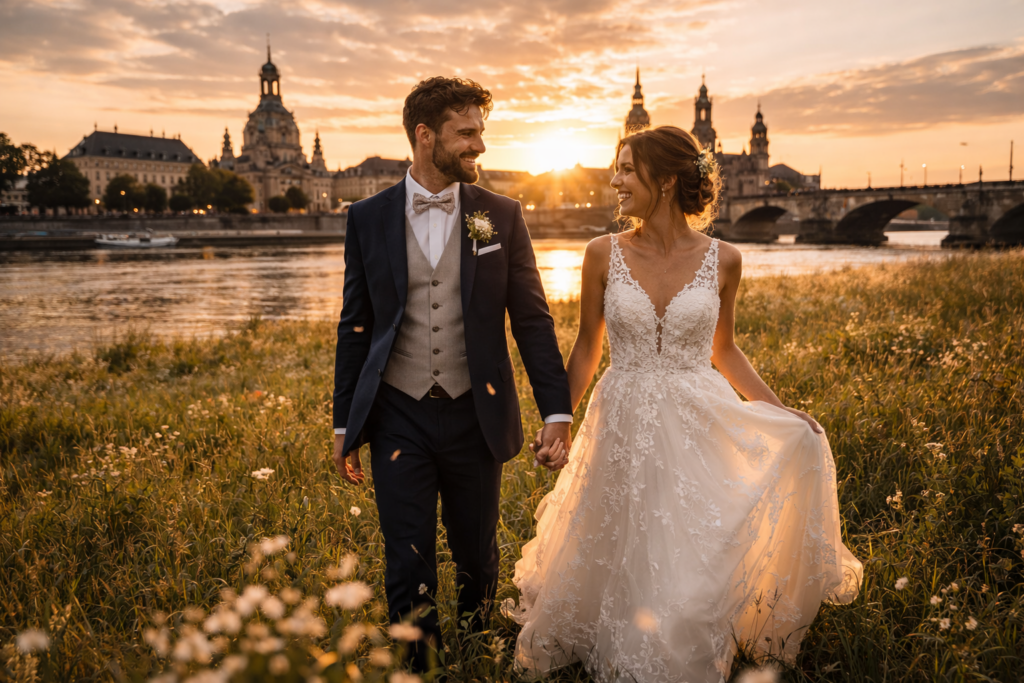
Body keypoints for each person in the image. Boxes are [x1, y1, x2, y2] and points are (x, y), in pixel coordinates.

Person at [507, 126, 862, 682]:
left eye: (626, 169)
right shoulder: (602, 253)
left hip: (700, 417)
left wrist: (779, 410)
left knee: (691, 546)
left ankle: (684, 639)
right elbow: (586, 348)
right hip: (621, 415)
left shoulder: (726, 259)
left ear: (666, 180)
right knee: (623, 540)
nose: (616, 180)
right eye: (616, 168)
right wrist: (560, 421)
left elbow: (724, 349)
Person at [331, 76, 573, 673]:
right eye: (466, 134)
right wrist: (344, 423)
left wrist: (557, 413)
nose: (479, 147)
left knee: (476, 554)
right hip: (397, 413)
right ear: (424, 135)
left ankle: (472, 652)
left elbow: (533, 321)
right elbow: (355, 326)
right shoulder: (366, 218)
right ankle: (419, 665)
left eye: (481, 134)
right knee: (406, 554)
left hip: (475, 411)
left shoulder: (503, 215)